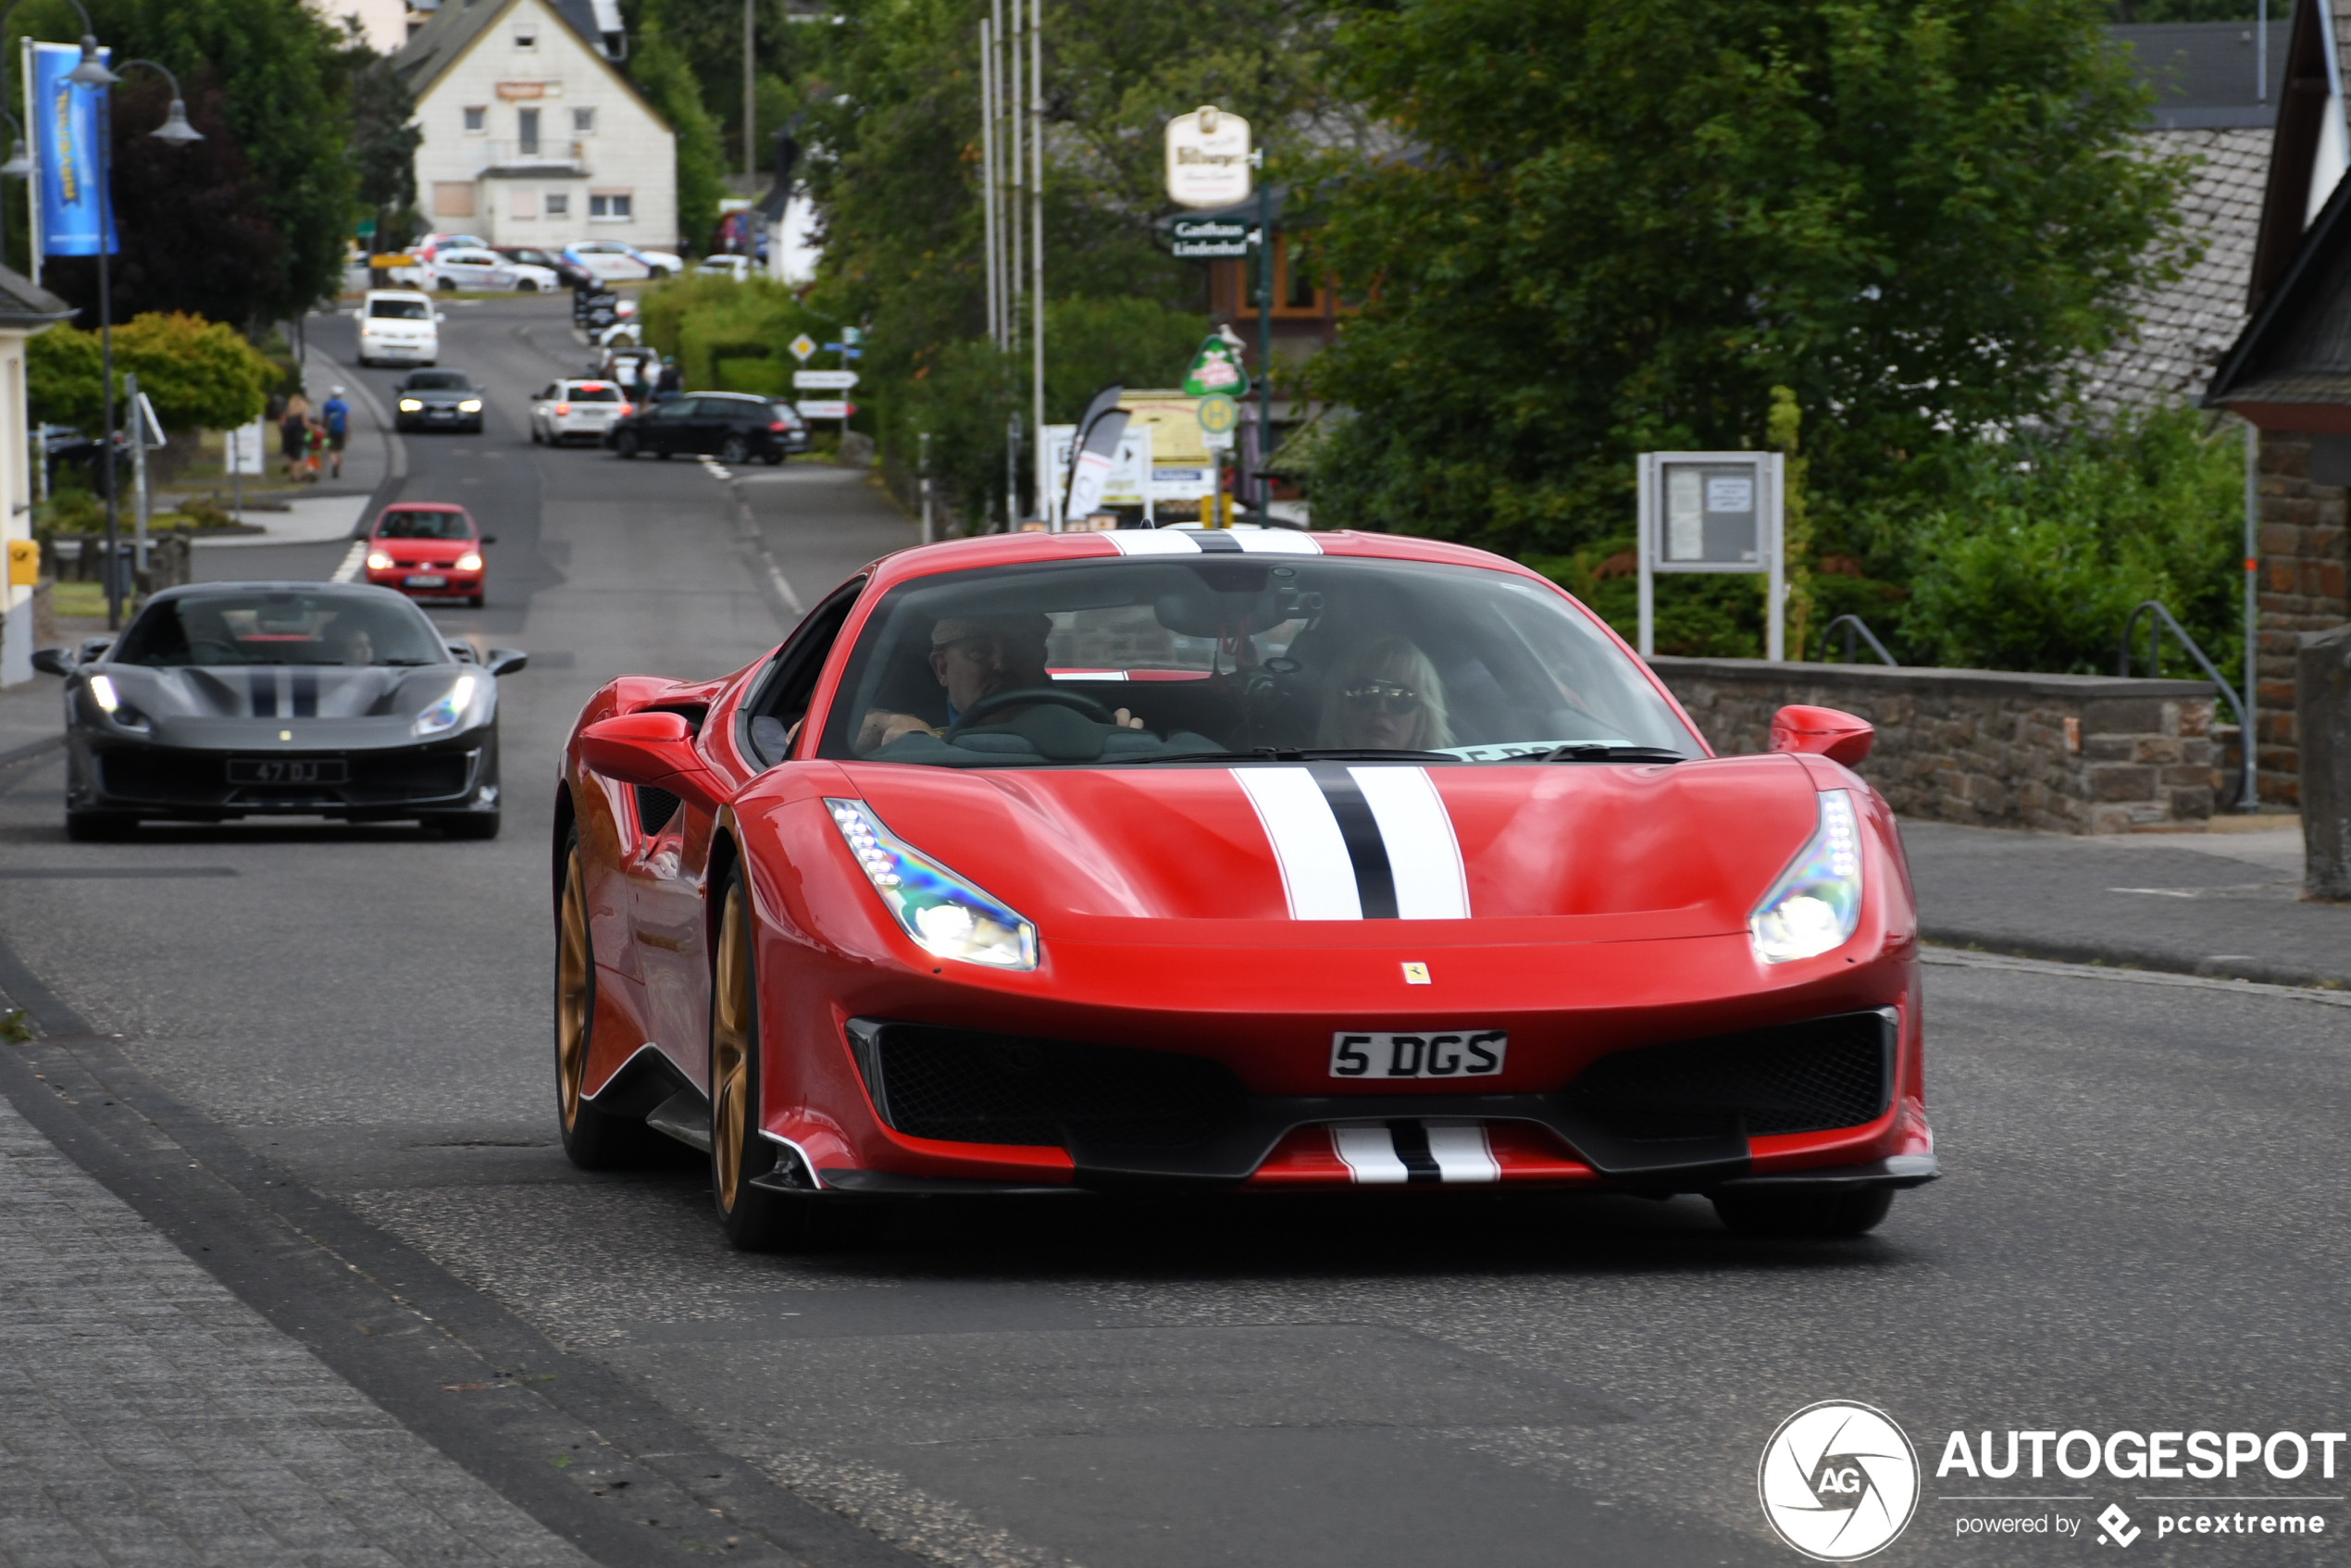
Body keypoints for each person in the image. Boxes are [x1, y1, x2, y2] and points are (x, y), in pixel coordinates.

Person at [857, 613, 1144, 753]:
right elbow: (825, 734)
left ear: (1041, 657)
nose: (1001, 665)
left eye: (1018, 650)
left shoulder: (1085, 727)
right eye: (979, 651)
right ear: (941, 667)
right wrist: (888, 725)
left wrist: (1120, 746)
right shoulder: (916, 726)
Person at [1316, 637, 1455, 751]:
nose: (1381, 709)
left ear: (1422, 718)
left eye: (1402, 697)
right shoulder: (1303, 775)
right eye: (1365, 692)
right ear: (1337, 707)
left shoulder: (1449, 782)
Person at [321, 387, 351, 479]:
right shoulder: (344, 405)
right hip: (341, 430)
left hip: (330, 430)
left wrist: (323, 428)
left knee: (330, 449)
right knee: (339, 450)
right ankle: (337, 466)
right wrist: (348, 432)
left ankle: (333, 463)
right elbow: (347, 420)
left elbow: (325, 418)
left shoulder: (327, 405)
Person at [278, 395, 308, 481]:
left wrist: (283, 432)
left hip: (287, 437)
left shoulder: (287, 412)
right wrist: (316, 428)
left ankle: (293, 474)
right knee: (300, 458)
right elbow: (306, 425)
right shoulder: (302, 413)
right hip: (299, 436)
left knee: (289, 456)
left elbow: (281, 424)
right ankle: (295, 476)